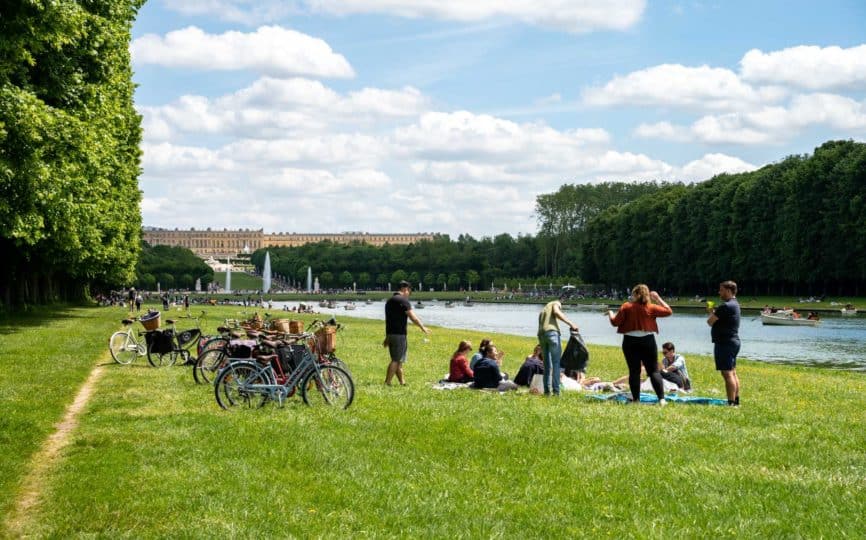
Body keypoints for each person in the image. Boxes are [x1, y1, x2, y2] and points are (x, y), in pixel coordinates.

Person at [608, 284, 672, 405]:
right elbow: (669, 311)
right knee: (653, 371)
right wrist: (658, 298)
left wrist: (611, 313)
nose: (631, 296)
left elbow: (614, 322)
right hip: (648, 341)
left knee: (634, 371)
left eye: (633, 294)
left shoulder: (626, 307)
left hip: (630, 342)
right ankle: (662, 400)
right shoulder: (651, 307)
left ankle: (636, 400)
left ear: (637, 294)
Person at [383, 280, 430, 385]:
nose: (409, 294)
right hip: (399, 334)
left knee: (398, 360)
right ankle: (387, 382)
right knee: (396, 360)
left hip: (391, 334)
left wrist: (387, 336)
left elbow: (388, 319)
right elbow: (413, 317)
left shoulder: (389, 301)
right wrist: (422, 327)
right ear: (405, 289)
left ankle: (402, 382)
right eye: (409, 292)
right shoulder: (403, 301)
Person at [707, 280, 741, 406]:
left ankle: (731, 403)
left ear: (728, 291)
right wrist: (714, 312)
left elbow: (710, 322)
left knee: (727, 373)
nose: (719, 292)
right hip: (733, 341)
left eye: (721, 290)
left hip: (725, 343)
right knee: (732, 372)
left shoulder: (725, 306)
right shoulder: (735, 304)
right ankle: (735, 401)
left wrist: (711, 311)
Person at [537, 296, 579, 396]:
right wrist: (571, 323)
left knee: (547, 365)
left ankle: (547, 391)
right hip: (552, 333)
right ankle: (556, 392)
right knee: (556, 364)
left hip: (541, 335)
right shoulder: (555, 303)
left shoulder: (544, 309)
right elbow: (556, 312)